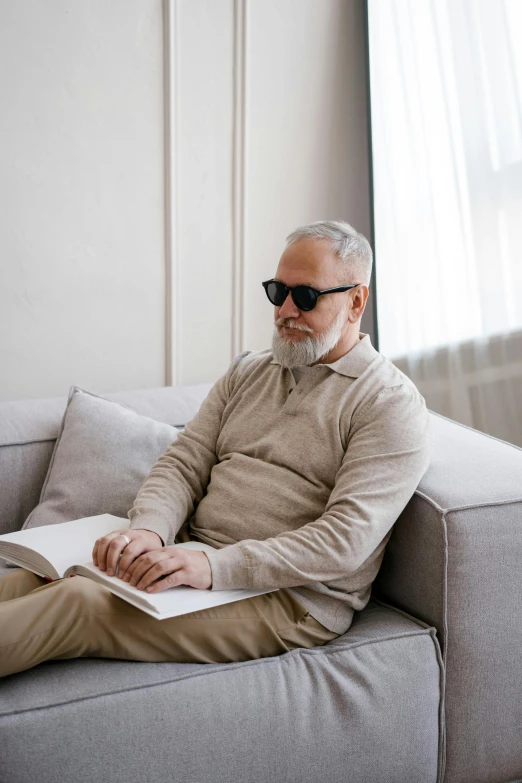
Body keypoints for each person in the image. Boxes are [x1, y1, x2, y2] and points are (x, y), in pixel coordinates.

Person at [0, 220, 432, 678]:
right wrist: (149, 531)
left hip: (290, 600)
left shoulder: (389, 405)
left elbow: (343, 542)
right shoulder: (250, 371)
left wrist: (211, 566)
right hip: (192, 554)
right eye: (276, 292)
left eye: (305, 297)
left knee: (78, 603)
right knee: (42, 575)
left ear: (356, 301)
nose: (285, 310)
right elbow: (184, 463)